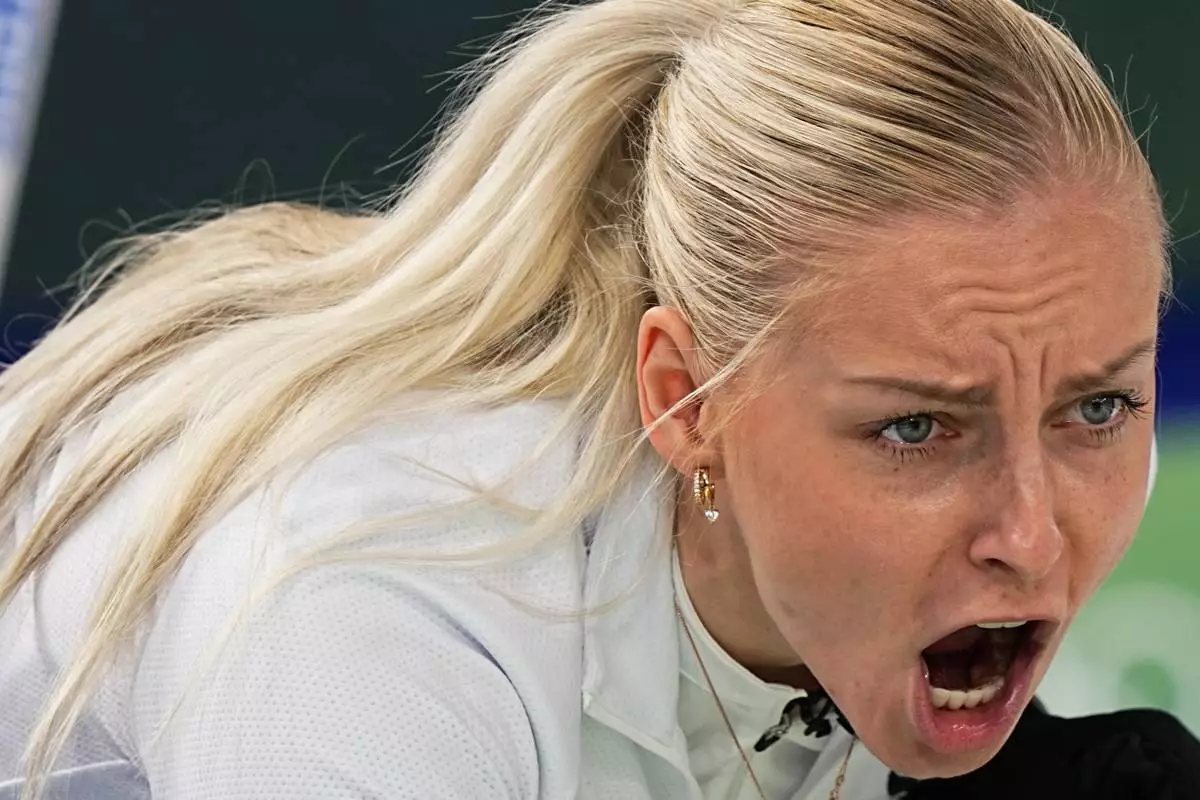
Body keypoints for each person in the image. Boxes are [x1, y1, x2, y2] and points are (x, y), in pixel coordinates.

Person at [0, 0, 1197, 797]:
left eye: (1096, 410)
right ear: (686, 399)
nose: (1032, 534)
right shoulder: (375, 609)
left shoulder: (883, 588)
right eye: (916, 429)